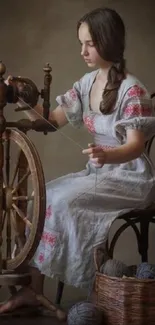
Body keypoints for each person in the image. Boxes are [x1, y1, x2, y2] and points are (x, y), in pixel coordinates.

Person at [1, 7, 155, 313]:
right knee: (41, 197)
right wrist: (18, 97)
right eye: (80, 43)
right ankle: (33, 291)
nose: (82, 50)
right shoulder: (86, 83)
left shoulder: (132, 90)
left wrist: (107, 154)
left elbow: (136, 146)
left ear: (107, 41)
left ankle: (94, 286)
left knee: (60, 200)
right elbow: (51, 120)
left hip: (129, 177)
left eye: (89, 43)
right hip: (98, 172)